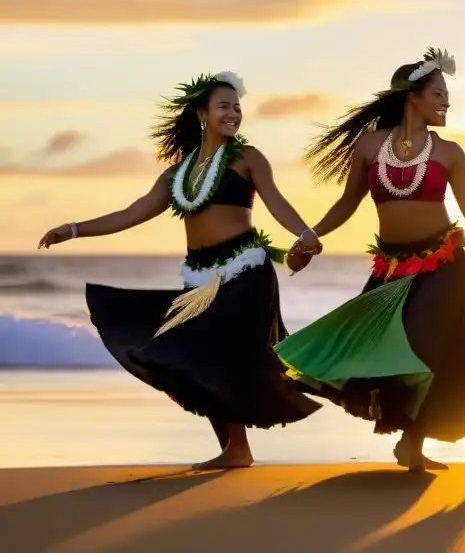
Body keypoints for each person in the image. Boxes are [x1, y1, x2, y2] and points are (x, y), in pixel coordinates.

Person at [37, 72, 324, 471]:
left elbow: (277, 202)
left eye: (237, 107)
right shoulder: (179, 175)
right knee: (192, 356)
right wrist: (73, 229)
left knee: (222, 355)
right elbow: (131, 213)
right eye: (224, 106)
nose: (234, 113)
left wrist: (305, 233)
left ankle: (238, 449)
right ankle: (234, 449)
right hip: (200, 278)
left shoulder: (247, 159)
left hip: (246, 274)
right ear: (202, 114)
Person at [274, 48, 465, 472]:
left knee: (423, 348)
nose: (446, 102)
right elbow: (348, 202)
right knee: (379, 346)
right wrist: (312, 235)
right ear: (413, 97)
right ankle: (408, 437)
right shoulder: (369, 146)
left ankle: (413, 443)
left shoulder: (450, 153)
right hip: (390, 267)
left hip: (444, 265)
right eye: (438, 93)